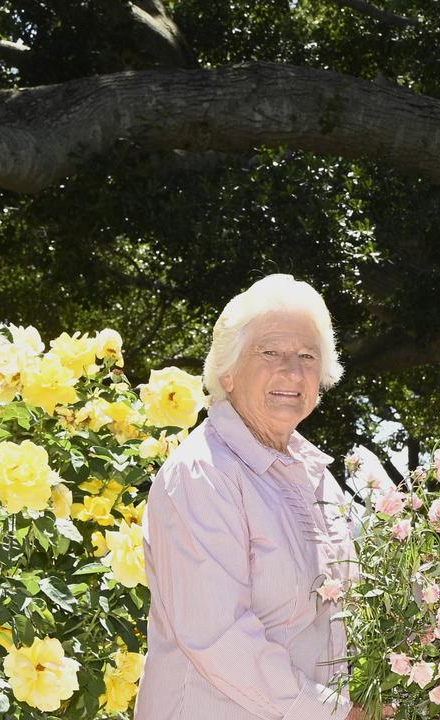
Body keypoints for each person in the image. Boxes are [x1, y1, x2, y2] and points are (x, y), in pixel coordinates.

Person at [136, 274, 364, 719]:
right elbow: (218, 637)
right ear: (227, 369)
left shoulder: (316, 476)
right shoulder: (202, 473)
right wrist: (336, 714)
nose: (292, 371)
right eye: (271, 352)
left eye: (307, 356)